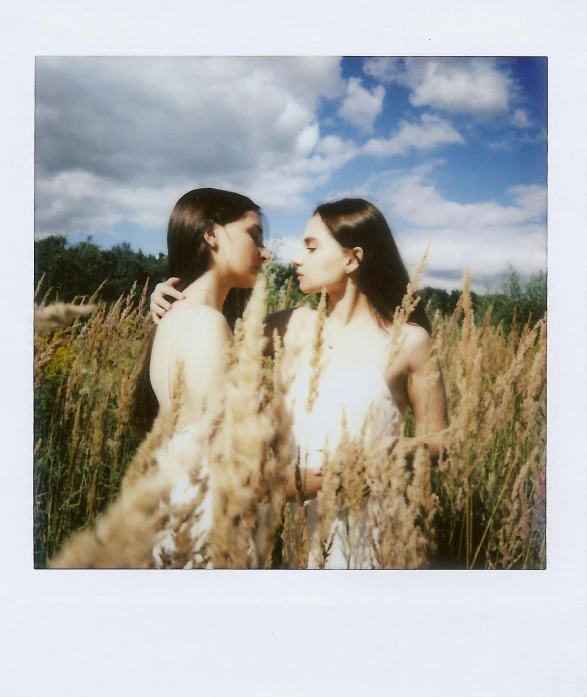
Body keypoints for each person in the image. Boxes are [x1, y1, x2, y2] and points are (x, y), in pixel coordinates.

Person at [150, 198, 448, 568]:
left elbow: (441, 440)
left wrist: (397, 449)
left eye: (311, 247)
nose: (295, 258)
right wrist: (168, 298)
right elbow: (204, 335)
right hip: (298, 539)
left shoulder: (410, 342)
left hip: (373, 531)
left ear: (352, 258)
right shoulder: (290, 325)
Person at [134, 187, 271, 567]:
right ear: (211, 234)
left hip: (180, 515)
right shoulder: (207, 324)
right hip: (212, 526)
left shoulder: (175, 320)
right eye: (254, 235)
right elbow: (231, 454)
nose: (265, 252)